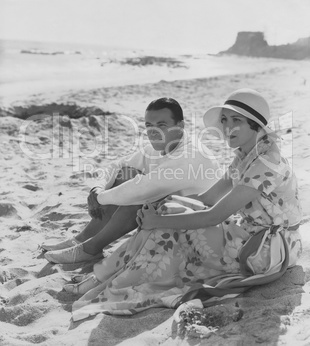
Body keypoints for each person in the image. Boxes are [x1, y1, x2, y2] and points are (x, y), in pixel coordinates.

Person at [63, 88, 302, 322]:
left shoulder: (266, 163)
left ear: (255, 124)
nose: (228, 127)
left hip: (267, 249)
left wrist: (159, 221)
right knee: (167, 208)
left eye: (236, 120)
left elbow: (212, 216)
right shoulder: (246, 154)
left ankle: (106, 277)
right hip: (249, 232)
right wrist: (166, 208)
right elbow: (207, 198)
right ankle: (108, 274)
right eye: (225, 120)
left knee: (168, 228)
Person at [43, 97, 218, 264]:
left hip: (202, 221)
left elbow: (143, 189)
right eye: (149, 126)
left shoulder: (190, 154)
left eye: (162, 125)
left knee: (142, 200)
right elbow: (118, 165)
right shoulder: (161, 146)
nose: (153, 132)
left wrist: (99, 199)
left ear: (180, 126)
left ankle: (90, 249)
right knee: (128, 172)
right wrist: (97, 188)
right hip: (175, 211)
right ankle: (81, 239)